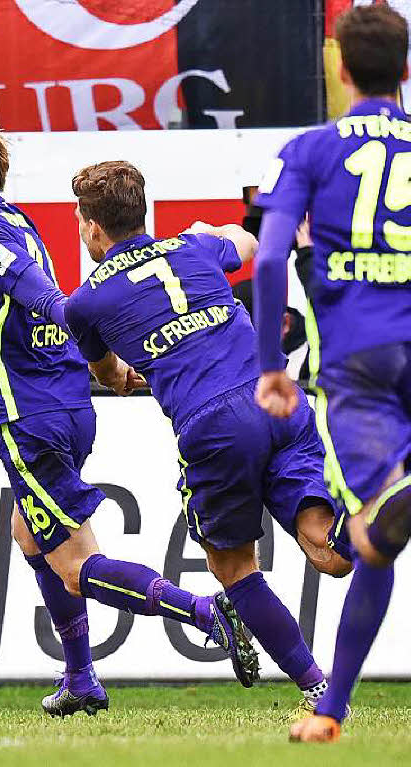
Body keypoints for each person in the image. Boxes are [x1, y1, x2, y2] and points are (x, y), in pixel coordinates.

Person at [0, 115, 260, 718]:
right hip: (65, 402)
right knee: (29, 532)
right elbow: (19, 308)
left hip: (27, 414)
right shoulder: (7, 223)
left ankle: (207, 612)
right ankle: (80, 677)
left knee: (73, 565)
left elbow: (48, 300)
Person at [62, 160, 352, 716]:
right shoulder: (191, 250)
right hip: (277, 397)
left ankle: (318, 686)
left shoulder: (86, 303)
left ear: (93, 226)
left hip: (216, 424)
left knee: (231, 566)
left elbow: (107, 375)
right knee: (329, 553)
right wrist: (210, 232)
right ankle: (374, 510)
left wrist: (132, 374)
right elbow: (245, 241)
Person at [252, 4, 411, 743]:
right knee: (372, 538)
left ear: (340, 70)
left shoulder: (312, 149)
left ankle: (330, 711)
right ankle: (327, 711)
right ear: (406, 70)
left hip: (357, 365)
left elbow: (269, 256)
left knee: (373, 533)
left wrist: (267, 368)